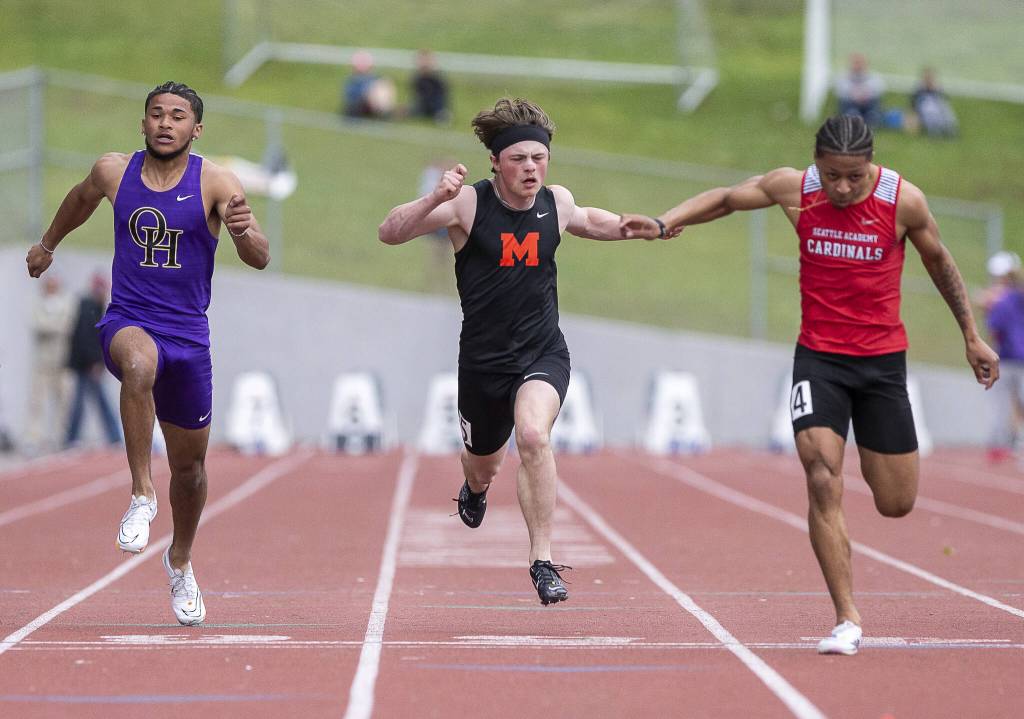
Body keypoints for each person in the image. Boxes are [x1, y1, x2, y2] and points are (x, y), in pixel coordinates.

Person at [621, 115, 999, 655]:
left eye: (853, 176)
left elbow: (940, 262)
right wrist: (663, 222)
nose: (841, 188)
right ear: (816, 164)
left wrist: (970, 335)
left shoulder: (903, 201)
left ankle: (874, 467)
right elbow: (729, 198)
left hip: (882, 363)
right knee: (822, 474)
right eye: (831, 175)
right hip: (819, 359)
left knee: (896, 502)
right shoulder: (794, 188)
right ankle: (846, 618)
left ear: (870, 165)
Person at [379, 97, 666, 605]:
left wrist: (645, 226)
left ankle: (542, 561)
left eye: (538, 157)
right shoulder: (468, 204)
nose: (530, 167)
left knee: (533, 435)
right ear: (496, 161)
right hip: (484, 364)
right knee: (483, 464)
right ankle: (476, 489)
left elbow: (594, 220)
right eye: (518, 159)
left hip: (542, 351)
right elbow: (390, 233)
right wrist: (431, 198)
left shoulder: (555, 202)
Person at [25, 81, 270, 626]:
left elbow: (259, 256)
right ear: (142, 123)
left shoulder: (215, 181)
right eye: (156, 114)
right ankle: (141, 493)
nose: (165, 123)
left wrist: (243, 232)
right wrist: (48, 244)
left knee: (192, 469)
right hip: (129, 319)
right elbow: (82, 197)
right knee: (138, 364)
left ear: (195, 128)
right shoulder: (116, 170)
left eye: (177, 116)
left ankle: (180, 559)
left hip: (188, 336)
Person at [65, 273, 121, 448]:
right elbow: (86, 338)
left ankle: (73, 437)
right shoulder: (88, 307)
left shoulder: (94, 307)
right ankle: (113, 436)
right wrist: (95, 362)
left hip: (86, 362)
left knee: (85, 401)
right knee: (90, 402)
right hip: (86, 364)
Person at [24, 274, 74, 454]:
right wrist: (56, 326)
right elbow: (38, 325)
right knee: (37, 401)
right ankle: (33, 439)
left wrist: (53, 326)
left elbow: (68, 325)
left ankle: (59, 437)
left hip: (62, 360)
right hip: (42, 361)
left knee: (63, 400)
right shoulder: (38, 303)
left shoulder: (65, 302)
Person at [984, 252, 1024, 462]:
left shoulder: (999, 301)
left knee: (1006, 403)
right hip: (1011, 358)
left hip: (1008, 358)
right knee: (1012, 403)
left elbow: (993, 330)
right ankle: (1006, 443)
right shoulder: (1010, 298)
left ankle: (1004, 444)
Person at [341, 50, 395, 120]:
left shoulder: (375, 78)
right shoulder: (352, 80)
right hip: (360, 106)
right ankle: (384, 113)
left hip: (374, 105)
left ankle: (385, 112)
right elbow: (351, 97)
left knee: (384, 84)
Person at [835, 54, 885, 128]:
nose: (858, 66)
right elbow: (841, 91)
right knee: (847, 105)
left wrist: (865, 94)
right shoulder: (843, 77)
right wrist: (855, 95)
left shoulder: (873, 77)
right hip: (850, 103)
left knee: (874, 105)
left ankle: (871, 119)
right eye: (856, 63)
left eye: (860, 63)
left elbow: (878, 89)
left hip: (868, 104)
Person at [910, 68, 958, 137]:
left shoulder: (937, 88)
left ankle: (949, 128)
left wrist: (937, 90)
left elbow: (946, 99)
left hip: (938, 108)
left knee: (945, 109)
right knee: (929, 109)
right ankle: (934, 130)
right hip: (926, 110)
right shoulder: (920, 89)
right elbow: (913, 102)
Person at [409, 49, 450, 125]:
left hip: (436, 104)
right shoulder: (417, 77)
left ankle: (441, 115)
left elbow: (443, 95)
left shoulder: (438, 77)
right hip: (422, 104)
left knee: (439, 108)